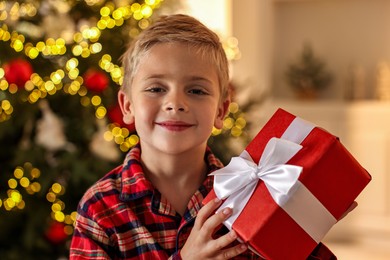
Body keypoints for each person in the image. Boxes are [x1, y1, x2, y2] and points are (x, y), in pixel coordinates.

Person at [70, 14, 347, 259]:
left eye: (196, 91)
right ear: (127, 106)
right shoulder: (100, 208)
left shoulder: (250, 195)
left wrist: (307, 227)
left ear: (221, 111)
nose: (175, 102)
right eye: (156, 88)